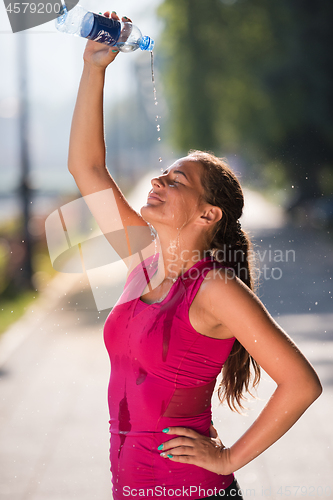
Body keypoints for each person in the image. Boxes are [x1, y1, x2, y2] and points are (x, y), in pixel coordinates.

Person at [67, 11, 322, 500]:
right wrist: (94, 69)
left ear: (207, 215)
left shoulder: (216, 288)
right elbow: (87, 168)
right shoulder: (143, 260)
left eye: (176, 181)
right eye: (164, 174)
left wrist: (228, 458)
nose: (159, 180)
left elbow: (301, 383)